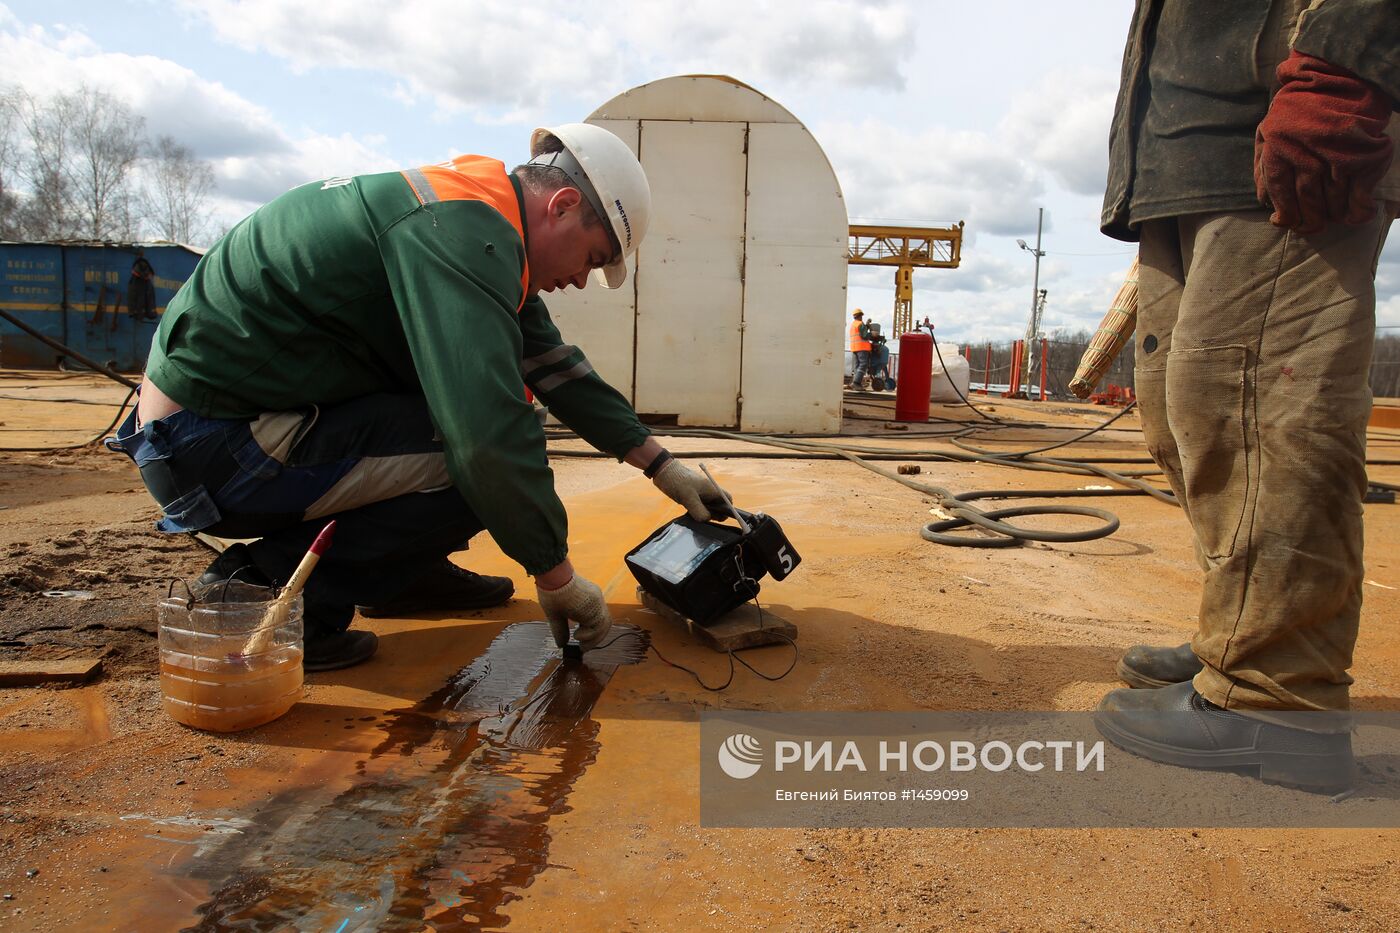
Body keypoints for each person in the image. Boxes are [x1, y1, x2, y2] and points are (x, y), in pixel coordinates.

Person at [107, 124, 731, 671]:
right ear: (563, 206)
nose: (579, 280)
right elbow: (487, 436)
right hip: (214, 448)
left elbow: (552, 365)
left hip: (224, 429)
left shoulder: (471, 219)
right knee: (484, 459)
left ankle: (397, 575)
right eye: (592, 259)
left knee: (481, 446)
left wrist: (660, 464)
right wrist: (556, 576)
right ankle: (258, 596)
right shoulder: (461, 236)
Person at [1094, 0, 1398, 789]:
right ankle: (1240, 631)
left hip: (1289, 114)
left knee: (1261, 407)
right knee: (1186, 412)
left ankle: (1277, 699)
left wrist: (1341, 69)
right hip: (1182, 155)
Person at [128, 249, 157, 323]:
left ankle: (135, 312)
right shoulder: (143, 265)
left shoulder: (140, 265)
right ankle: (142, 313)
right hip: (141, 294)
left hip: (139, 294)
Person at [848, 309, 872, 389]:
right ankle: (856, 383)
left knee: (857, 366)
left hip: (855, 348)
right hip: (862, 348)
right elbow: (864, 335)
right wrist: (872, 334)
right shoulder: (860, 324)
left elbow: (861, 332)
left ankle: (856, 383)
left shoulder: (853, 325)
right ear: (860, 315)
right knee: (863, 364)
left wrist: (867, 326)